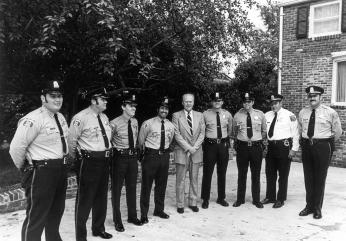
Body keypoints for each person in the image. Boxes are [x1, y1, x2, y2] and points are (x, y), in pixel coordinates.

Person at [9, 80, 68, 241]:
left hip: (60, 170)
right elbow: (15, 148)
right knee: (36, 216)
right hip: (42, 172)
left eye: (60, 96)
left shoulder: (60, 117)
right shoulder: (33, 119)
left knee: (56, 212)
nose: (58, 99)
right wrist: (26, 168)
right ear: (43, 98)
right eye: (53, 96)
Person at [68, 88, 113, 241]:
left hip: (105, 161)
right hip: (89, 162)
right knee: (85, 199)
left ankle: (98, 228)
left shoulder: (105, 117)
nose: (106, 101)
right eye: (103, 99)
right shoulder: (80, 118)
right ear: (94, 101)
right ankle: (81, 236)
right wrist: (78, 159)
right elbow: (71, 142)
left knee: (101, 197)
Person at [298, 85, 342, 219]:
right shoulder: (302, 112)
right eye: (310, 96)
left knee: (320, 178)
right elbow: (300, 130)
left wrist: (325, 141)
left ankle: (317, 208)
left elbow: (338, 132)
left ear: (320, 97)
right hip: (306, 146)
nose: (312, 98)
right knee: (308, 178)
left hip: (322, 146)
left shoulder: (330, 112)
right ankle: (309, 206)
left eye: (314, 96)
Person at [138, 96, 175, 224]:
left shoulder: (171, 125)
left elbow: (171, 141)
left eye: (166, 109)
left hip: (164, 156)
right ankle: (143, 214)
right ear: (158, 109)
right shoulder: (148, 123)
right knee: (146, 186)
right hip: (150, 156)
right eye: (162, 108)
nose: (164, 110)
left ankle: (159, 210)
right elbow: (141, 141)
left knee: (161, 185)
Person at [109, 91, 142, 232]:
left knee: (132, 187)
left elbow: (135, 139)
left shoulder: (135, 121)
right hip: (119, 158)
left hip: (132, 158)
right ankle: (117, 220)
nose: (133, 108)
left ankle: (132, 216)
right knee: (116, 189)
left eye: (135, 106)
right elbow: (107, 141)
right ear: (123, 107)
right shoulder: (114, 123)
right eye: (130, 105)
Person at [262, 94, 299, 208]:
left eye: (276, 103)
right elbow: (263, 132)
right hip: (271, 147)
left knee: (283, 174)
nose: (274, 105)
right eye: (272, 103)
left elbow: (296, 133)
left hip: (284, 146)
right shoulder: (266, 115)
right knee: (270, 173)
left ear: (281, 103)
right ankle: (270, 196)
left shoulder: (290, 115)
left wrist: (294, 149)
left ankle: (281, 198)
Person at [172, 93, 205, 214]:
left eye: (190, 101)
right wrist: (188, 148)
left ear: (193, 102)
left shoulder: (200, 115)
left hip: (196, 152)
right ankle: (180, 204)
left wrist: (194, 148)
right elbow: (176, 134)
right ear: (182, 102)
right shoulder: (176, 115)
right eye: (186, 101)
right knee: (180, 179)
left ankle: (193, 202)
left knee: (194, 178)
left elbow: (202, 133)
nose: (188, 103)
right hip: (182, 151)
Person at [232, 92, 267, 208]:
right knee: (242, 174)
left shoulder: (260, 114)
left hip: (256, 147)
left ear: (252, 102)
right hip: (242, 147)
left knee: (256, 175)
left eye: (249, 102)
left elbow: (264, 131)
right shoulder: (237, 115)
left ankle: (256, 200)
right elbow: (234, 132)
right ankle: (240, 199)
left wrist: (258, 141)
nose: (246, 104)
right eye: (244, 102)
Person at [201, 92, 233, 209]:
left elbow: (230, 130)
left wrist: (225, 140)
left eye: (219, 101)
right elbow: (202, 130)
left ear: (222, 102)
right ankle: (205, 199)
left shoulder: (227, 114)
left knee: (222, 172)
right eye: (215, 101)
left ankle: (221, 198)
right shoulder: (205, 114)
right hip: (210, 146)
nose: (217, 103)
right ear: (212, 102)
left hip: (223, 146)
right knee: (207, 173)